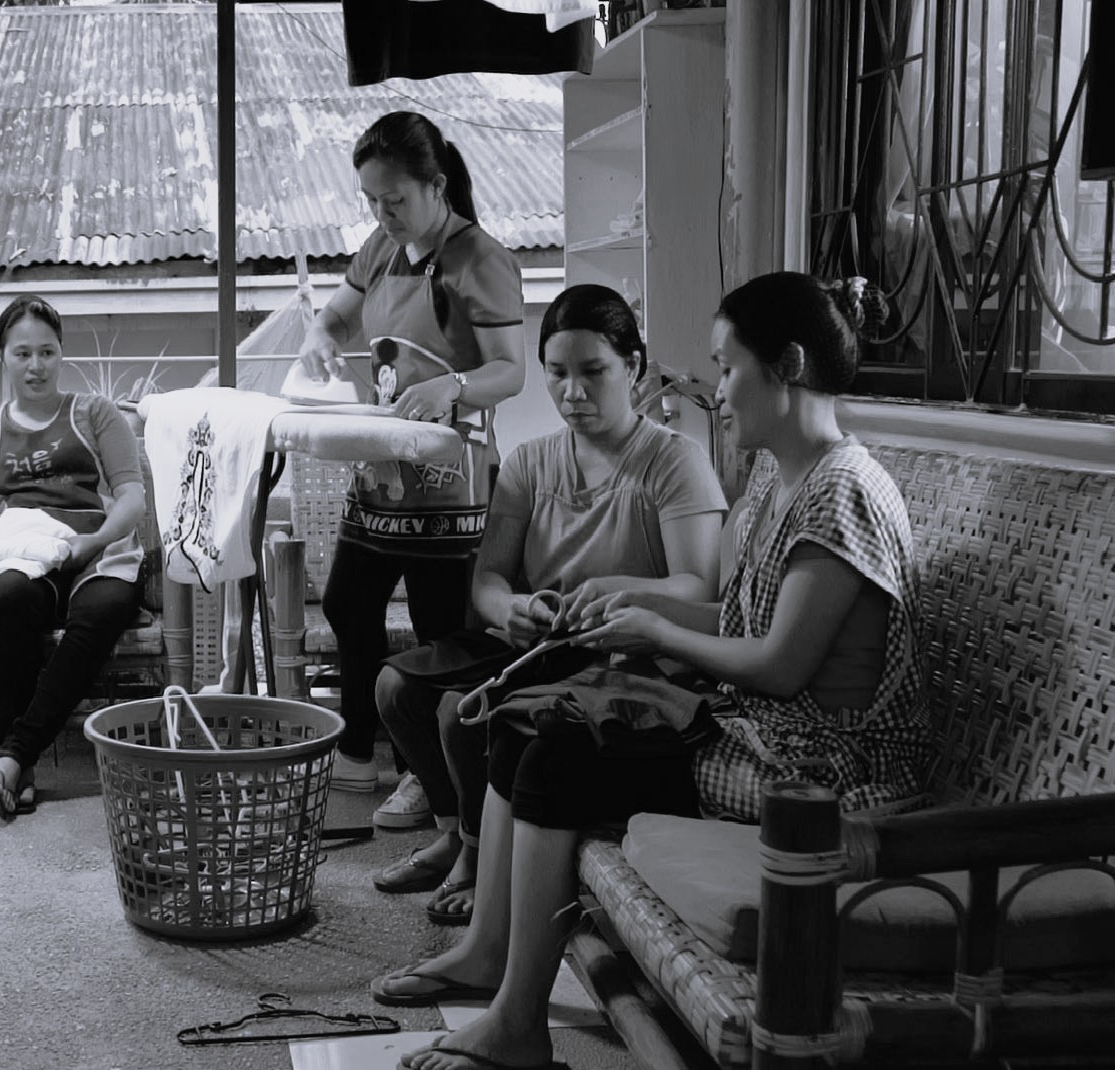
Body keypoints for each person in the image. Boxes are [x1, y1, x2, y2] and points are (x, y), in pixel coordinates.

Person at [374, 273, 927, 1070]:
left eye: (727, 368)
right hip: (760, 734)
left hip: (821, 771)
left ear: (789, 366)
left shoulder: (842, 492)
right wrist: (640, 608)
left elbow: (778, 666)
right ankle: (492, 957)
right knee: (525, 723)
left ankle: (518, 1022)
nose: (716, 392)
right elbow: (746, 623)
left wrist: (656, 625)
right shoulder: (780, 477)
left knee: (556, 758)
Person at [372, 285, 726, 928]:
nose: (573, 392)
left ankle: (477, 856)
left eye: (594, 372)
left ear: (633, 367)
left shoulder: (675, 462)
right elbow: (490, 580)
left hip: (622, 656)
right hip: (538, 644)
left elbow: (700, 586)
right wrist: (509, 608)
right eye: (557, 374)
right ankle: (456, 831)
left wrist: (618, 591)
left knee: (460, 714)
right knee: (397, 687)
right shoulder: (531, 464)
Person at [296, 110, 527, 815]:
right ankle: (357, 751)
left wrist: (452, 385)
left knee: (440, 632)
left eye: (394, 200)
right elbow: (336, 315)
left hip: (454, 481)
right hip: (384, 471)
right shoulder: (380, 248)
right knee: (347, 602)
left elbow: (511, 371)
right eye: (371, 200)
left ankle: (425, 774)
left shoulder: (481, 259)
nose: (382, 214)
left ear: (436, 185)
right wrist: (320, 335)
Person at [0, 295, 147, 819]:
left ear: (61, 354)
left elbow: (132, 497)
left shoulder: (95, 413)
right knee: (9, 598)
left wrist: (93, 542)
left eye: (47, 352)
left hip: (97, 549)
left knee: (102, 609)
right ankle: (18, 765)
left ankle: (14, 757)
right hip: (27, 551)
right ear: (2, 356)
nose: (36, 366)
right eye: (22, 353)